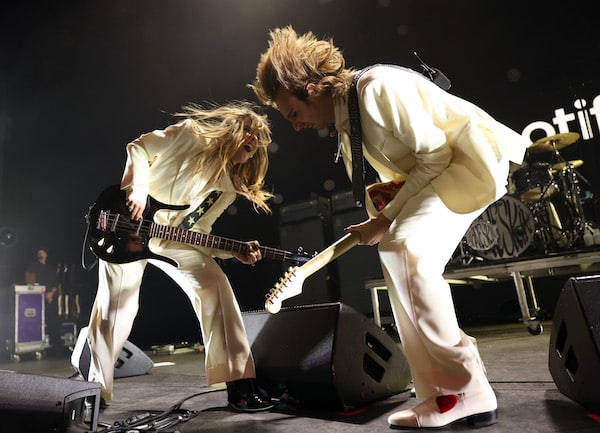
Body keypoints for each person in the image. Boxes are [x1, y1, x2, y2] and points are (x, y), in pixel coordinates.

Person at [250, 26, 528, 429]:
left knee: (405, 248)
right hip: (442, 171)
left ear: (310, 88)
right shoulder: (349, 127)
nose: (295, 126)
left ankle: (464, 389)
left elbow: (434, 156)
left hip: (468, 163)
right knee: (397, 250)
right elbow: (407, 174)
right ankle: (440, 391)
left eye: (293, 113)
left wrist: (385, 218)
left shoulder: (376, 88)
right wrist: (381, 215)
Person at [84, 101, 275, 412]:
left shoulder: (229, 185)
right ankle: (95, 392)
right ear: (233, 129)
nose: (253, 141)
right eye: (250, 131)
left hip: (168, 236)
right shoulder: (191, 134)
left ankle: (240, 385)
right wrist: (138, 189)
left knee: (213, 282)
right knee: (116, 310)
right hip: (126, 227)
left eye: (259, 140)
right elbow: (139, 147)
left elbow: (200, 229)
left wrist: (233, 251)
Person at [25, 248, 62, 354]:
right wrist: (44, 293)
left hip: (50, 299)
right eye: (39, 252)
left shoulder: (51, 268)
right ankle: (34, 347)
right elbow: (29, 282)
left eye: (42, 252)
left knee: (54, 322)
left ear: (46, 254)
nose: (40, 253)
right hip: (37, 298)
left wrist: (51, 293)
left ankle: (56, 348)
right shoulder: (33, 266)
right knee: (36, 321)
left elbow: (56, 282)